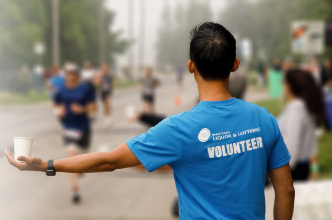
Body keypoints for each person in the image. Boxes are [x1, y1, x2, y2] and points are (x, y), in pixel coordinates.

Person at [5, 22, 294, 219]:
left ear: (191, 66)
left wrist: (48, 165)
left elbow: (108, 161)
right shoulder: (263, 119)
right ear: (235, 64)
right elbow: (285, 189)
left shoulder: (179, 129)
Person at [52, 63, 97, 203]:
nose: (70, 76)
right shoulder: (61, 89)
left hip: (84, 128)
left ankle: (80, 167)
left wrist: (82, 109)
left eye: (73, 74)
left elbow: (94, 107)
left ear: (78, 76)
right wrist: (59, 112)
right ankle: (75, 190)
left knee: (83, 157)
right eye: (68, 74)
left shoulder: (85, 89)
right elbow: (55, 104)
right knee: (71, 154)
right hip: (68, 128)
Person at [279, 69, 325, 181]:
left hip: (293, 169)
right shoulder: (304, 106)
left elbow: (291, 147)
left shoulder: (296, 110)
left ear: (289, 86)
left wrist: (279, 172)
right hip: (301, 166)